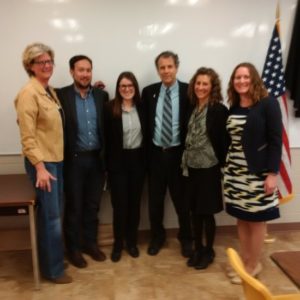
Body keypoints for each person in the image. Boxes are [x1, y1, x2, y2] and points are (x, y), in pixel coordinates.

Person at [15, 43, 72, 284]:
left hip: (55, 161)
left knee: (54, 214)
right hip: (43, 165)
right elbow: (27, 137)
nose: (47, 65)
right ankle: (53, 270)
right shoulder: (29, 93)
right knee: (52, 217)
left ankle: (52, 259)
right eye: (41, 62)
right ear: (30, 66)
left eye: (49, 61)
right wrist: (39, 168)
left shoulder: (48, 90)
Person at [224, 62, 282, 284]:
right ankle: (245, 259)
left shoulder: (267, 104)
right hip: (235, 173)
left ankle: (253, 265)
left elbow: (276, 141)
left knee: (257, 220)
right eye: (237, 77)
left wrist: (272, 173)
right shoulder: (235, 106)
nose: (241, 81)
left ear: (254, 78)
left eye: (245, 77)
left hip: (258, 173)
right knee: (242, 217)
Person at [56, 55, 108, 268]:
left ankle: (90, 244)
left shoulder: (101, 96)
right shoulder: (60, 95)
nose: (85, 74)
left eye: (88, 70)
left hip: (97, 160)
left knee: (92, 206)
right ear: (71, 72)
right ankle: (74, 249)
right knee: (74, 207)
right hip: (74, 161)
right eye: (80, 70)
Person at [142, 51, 192, 257]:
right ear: (158, 70)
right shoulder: (148, 92)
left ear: (176, 67)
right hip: (156, 155)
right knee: (155, 202)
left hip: (178, 156)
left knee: (182, 202)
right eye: (162, 67)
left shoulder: (188, 91)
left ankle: (187, 239)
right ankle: (157, 237)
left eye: (169, 66)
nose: (166, 71)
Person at [182, 67, 228, 269]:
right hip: (190, 168)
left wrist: (221, 163)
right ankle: (198, 248)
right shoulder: (191, 107)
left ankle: (209, 251)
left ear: (212, 87)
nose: (200, 87)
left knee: (206, 212)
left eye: (205, 84)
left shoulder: (219, 110)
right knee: (194, 211)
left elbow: (224, 142)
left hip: (209, 169)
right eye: (198, 83)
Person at [104, 71, 146, 262]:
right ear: (118, 89)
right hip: (117, 164)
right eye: (123, 86)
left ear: (135, 88)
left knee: (134, 206)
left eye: (130, 86)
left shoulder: (143, 108)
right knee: (119, 206)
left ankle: (132, 242)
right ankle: (118, 244)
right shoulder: (110, 108)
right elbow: (105, 138)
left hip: (138, 161)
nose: (127, 89)